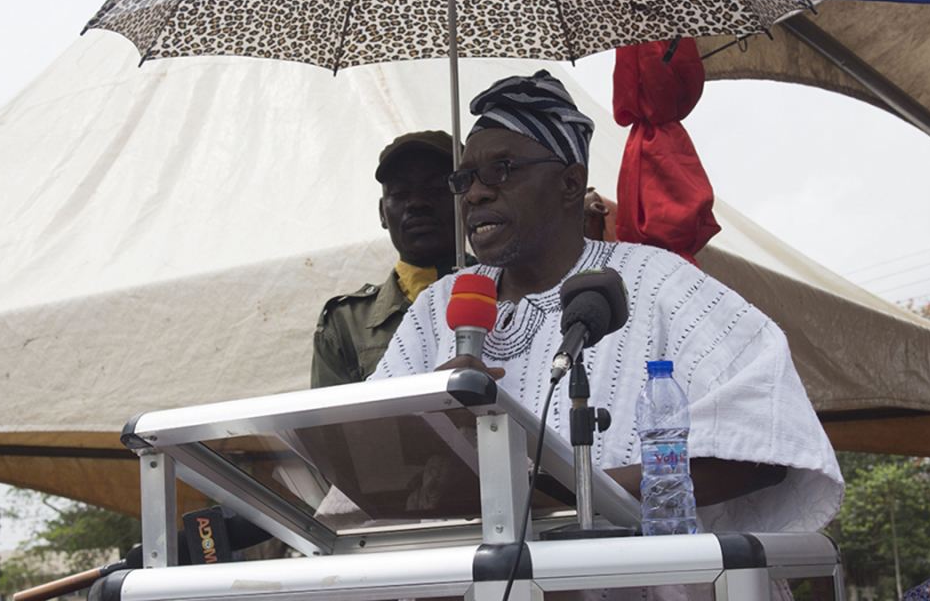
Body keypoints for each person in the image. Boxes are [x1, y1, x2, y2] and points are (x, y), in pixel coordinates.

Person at [370, 71, 843, 540]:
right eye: (466, 179)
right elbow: (365, 460)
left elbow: (765, 444)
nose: (475, 193)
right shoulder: (439, 306)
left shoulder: (656, 281)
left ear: (571, 183)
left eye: (502, 169)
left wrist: (560, 493)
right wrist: (430, 418)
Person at [311, 130, 465, 388]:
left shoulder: (512, 296)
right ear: (382, 213)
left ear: (468, 200)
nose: (418, 203)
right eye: (401, 193)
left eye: (437, 189)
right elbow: (332, 414)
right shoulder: (347, 323)